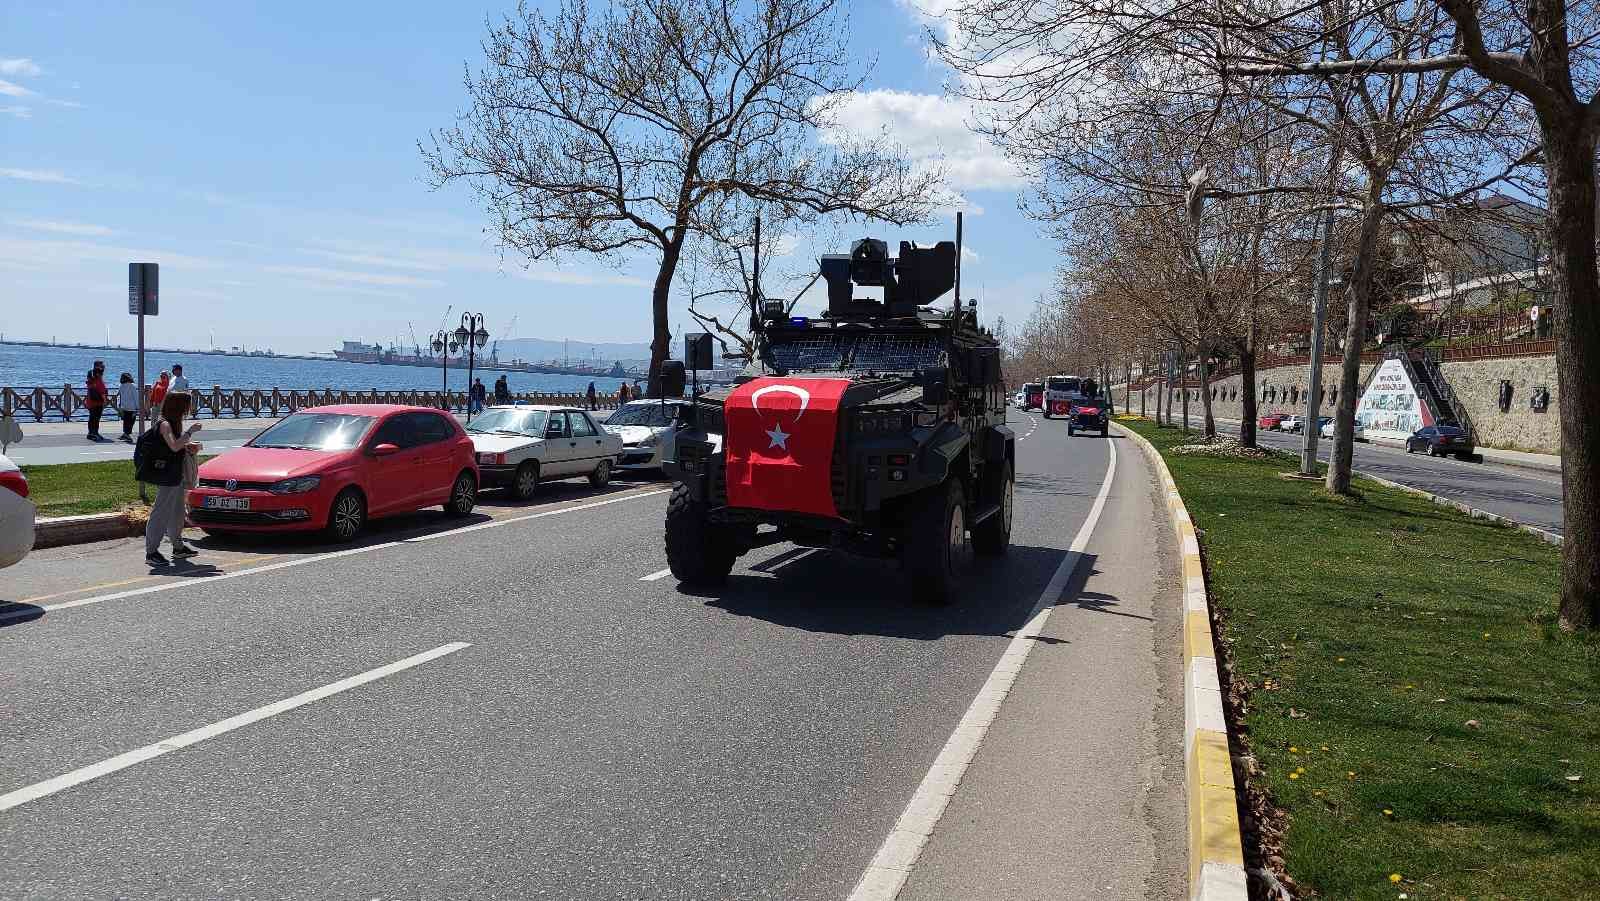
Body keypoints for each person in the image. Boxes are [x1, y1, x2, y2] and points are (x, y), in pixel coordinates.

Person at [142, 392, 202, 567]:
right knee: (160, 512)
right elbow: (174, 446)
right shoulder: (164, 424)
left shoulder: (174, 423)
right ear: (178, 406)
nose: (189, 409)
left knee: (177, 512)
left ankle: (178, 546)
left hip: (176, 473)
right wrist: (190, 432)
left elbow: (175, 446)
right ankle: (151, 552)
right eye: (187, 405)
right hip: (167, 475)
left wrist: (189, 445)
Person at [85, 364, 108, 441]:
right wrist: (105, 401)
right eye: (101, 373)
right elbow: (102, 392)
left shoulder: (90, 381)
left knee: (91, 418)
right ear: (99, 374)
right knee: (96, 418)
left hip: (90, 402)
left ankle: (91, 433)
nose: (102, 374)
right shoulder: (99, 381)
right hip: (98, 402)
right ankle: (95, 433)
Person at [115, 372, 138, 442]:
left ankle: (125, 434)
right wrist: (137, 407)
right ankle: (127, 435)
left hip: (124, 406)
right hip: (132, 407)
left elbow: (120, 396)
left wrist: (119, 406)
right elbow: (136, 397)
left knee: (126, 421)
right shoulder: (132, 386)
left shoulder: (121, 386)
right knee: (131, 421)